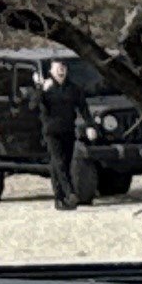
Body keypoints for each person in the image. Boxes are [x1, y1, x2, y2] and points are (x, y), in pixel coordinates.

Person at [34, 57, 91, 208]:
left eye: (63, 68)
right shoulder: (46, 88)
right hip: (51, 132)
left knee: (63, 163)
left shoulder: (73, 88)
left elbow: (83, 108)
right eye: (58, 68)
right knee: (58, 162)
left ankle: (60, 200)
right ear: (51, 71)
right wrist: (40, 89)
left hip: (68, 130)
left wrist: (90, 125)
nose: (61, 71)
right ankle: (70, 192)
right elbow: (33, 105)